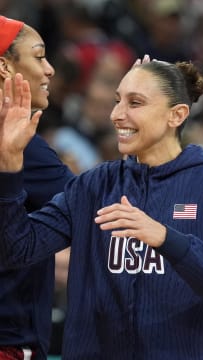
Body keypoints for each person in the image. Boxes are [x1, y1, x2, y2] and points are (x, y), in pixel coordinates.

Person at [0, 60, 203, 359]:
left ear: (176, 115)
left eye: (135, 103)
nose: (116, 115)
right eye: (117, 101)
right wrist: (9, 164)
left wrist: (166, 238)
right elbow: (18, 249)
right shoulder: (93, 186)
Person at [0, 15, 74, 359]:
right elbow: (94, 206)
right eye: (39, 56)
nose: (50, 70)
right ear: (4, 66)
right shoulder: (22, 145)